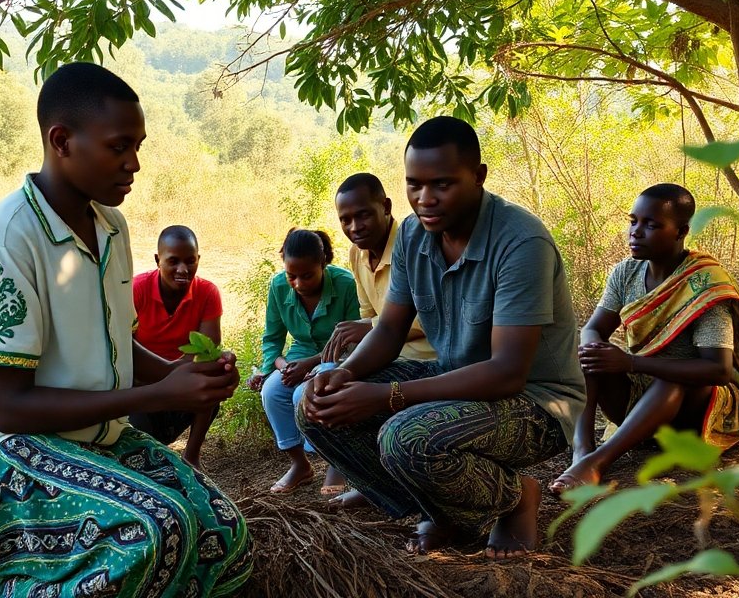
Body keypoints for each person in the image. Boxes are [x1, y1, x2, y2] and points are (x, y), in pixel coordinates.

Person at [0, 63, 250, 598]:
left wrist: (179, 374)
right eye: (119, 147)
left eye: (138, 146)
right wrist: (158, 393)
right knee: (147, 532)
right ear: (62, 140)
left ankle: (7, 568)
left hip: (85, 434)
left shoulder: (110, 227)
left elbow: (114, 336)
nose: (134, 164)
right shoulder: (6, 241)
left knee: (221, 528)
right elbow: (10, 407)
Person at [299, 116, 584, 560]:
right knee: (312, 406)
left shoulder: (521, 242)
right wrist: (344, 373)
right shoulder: (414, 233)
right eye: (414, 185)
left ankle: (514, 498)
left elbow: (507, 373)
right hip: (454, 379)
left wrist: (386, 395)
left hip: (537, 402)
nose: (424, 199)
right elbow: (390, 328)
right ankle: (440, 510)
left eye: (443, 185)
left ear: (479, 177)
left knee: (405, 436)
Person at [549, 184, 739, 493]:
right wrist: (597, 349)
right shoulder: (626, 273)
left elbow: (718, 370)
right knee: (588, 349)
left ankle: (599, 462)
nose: (636, 232)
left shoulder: (702, 283)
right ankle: (582, 448)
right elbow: (594, 328)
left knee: (674, 378)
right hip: (639, 398)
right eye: (633, 221)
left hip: (693, 411)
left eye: (651, 225)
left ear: (680, 232)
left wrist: (632, 362)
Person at [321, 172, 435, 511]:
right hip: (388, 352)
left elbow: (431, 314)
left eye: (363, 214)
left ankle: (409, 492)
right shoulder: (358, 255)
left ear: (386, 207)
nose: (355, 227)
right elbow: (369, 312)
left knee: (359, 398)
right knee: (324, 392)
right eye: (345, 220)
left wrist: (370, 326)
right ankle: (376, 485)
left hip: (428, 356)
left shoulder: (413, 244)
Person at [247, 228, 360, 495]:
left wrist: (310, 366)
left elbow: (355, 340)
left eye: (307, 275)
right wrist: (280, 368)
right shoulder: (277, 286)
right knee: (273, 391)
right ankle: (300, 465)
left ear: (323, 264)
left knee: (305, 393)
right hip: (299, 356)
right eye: (291, 276)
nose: (298, 283)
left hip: (341, 355)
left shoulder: (345, 285)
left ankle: (336, 462)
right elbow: (272, 339)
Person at [128, 225, 223, 469]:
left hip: (185, 376)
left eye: (190, 261)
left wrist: (179, 371)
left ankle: (191, 457)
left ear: (198, 260)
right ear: (158, 260)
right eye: (173, 261)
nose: (183, 269)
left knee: (216, 372)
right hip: (142, 380)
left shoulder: (207, 292)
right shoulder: (137, 290)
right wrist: (166, 373)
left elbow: (208, 347)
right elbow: (122, 344)